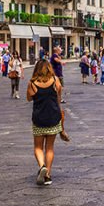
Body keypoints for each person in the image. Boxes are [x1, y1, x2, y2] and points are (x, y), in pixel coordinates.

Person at [26, 58, 64, 186]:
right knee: (49, 148)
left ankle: (42, 166)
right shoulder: (55, 81)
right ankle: (48, 175)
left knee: (38, 147)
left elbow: (28, 98)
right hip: (53, 117)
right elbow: (59, 98)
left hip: (39, 118)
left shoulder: (32, 83)